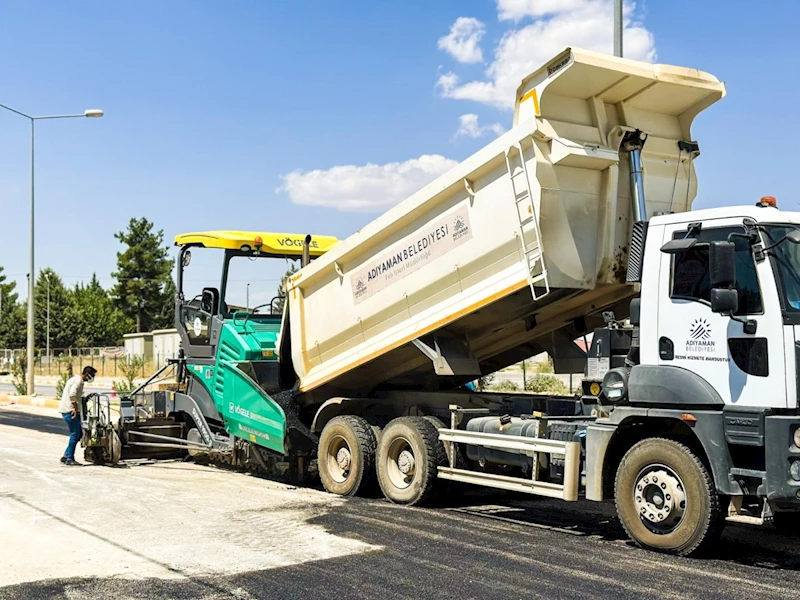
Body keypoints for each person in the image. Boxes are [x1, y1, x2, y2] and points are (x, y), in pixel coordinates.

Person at [59, 366, 97, 465]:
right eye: (92, 375)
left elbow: (75, 395)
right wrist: (75, 409)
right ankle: (69, 458)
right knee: (75, 434)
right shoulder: (78, 381)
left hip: (67, 409)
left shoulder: (75, 379)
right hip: (70, 411)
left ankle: (66, 455)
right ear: (87, 374)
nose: (92, 377)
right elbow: (72, 394)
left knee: (78, 433)